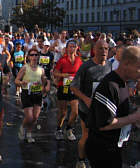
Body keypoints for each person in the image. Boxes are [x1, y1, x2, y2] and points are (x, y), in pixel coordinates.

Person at [86, 46, 140, 168]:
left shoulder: (123, 83)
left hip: (114, 147)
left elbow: (120, 113)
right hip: (103, 150)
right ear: (126, 64)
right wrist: (134, 117)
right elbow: (105, 124)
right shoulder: (110, 85)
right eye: (139, 67)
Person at [70, 40, 112, 168]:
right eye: (100, 48)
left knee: (101, 135)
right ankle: (81, 160)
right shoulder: (86, 66)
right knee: (87, 134)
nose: (104, 51)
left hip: (103, 107)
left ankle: (98, 158)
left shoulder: (110, 65)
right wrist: (87, 99)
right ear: (94, 50)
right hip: (86, 108)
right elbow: (73, 87)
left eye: (106, 48)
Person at [15, 47, 49, 143]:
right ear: (28, 57)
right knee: (29, 117)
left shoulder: (41, 69)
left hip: (37, 94)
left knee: (35, 117)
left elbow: (43, 81)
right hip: (27, 93)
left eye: (36, 55)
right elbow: (16, 80)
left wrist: (44, 84)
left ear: (38, 57)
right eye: (32, 55)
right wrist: (22, 83)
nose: (34, 57)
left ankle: (29, 133)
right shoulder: (25, 68)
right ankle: (22, 126)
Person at [53, 40, 82, 141]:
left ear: (76, 48)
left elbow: (81, 73)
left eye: (74, 46)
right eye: (70, 46)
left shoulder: (79, 60)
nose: (72, 48)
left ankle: (69, 128)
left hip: (74, 88)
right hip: (64, 87)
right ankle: (58, 129)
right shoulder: (62, 60)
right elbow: (55, 73)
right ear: (66, 48)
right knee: (63, 112)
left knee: (75, 111)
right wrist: (63, 75)